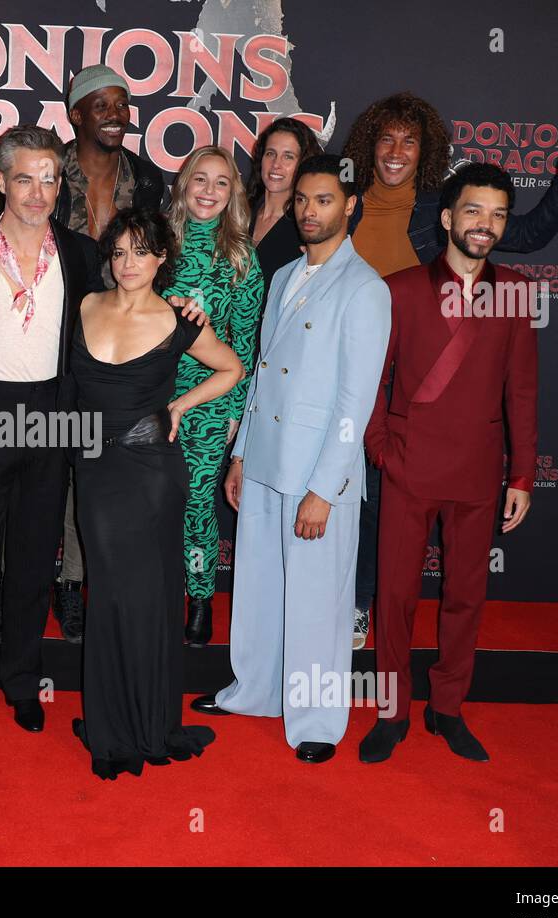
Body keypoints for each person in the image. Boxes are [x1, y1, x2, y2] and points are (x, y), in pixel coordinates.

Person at [0, 125, 205, 752]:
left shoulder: (78, 252)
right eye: (25, 178)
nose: (39, 192)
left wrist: (185, 305)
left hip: (53, 423)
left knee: (35, 568)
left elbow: (130, 297)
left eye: (49, 178)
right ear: (1, 182)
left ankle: (20, 683)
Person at [341, 92, 558, 648]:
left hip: (411, 360)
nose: (396, 150)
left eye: (410, 140)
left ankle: (361, 605)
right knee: (348, 499)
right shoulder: (346, 201)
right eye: (386, 138)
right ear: (369, 144)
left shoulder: (440, 208)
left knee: (380, 501)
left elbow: (519, 234)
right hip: (347, 354)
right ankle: (342, 600)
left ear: (425, 149)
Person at [190, 154, 391, 763]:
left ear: (349, 205)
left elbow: (357, 401)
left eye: (324, 200)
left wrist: (324, 489)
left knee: (317, 603)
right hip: (266, 460)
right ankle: (253, 690)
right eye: (302, 199)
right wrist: (241, 457)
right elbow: (261, 377)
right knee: (257, 588)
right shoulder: (281, 276)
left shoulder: (366, 289)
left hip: (314, 473)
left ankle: (317, 722)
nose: (309, 210)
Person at [359, 162, 538, 764]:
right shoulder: (401, 288)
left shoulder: (514, 291)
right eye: (473, 211)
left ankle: (448, 708)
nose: (485, 225)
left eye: (497, 215)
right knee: (395, 598)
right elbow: (372, 384)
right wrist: (381, 448)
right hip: (409, 467)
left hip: (478, 472)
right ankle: (391, 712)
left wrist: (521, 474)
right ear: (446, 218)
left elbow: (522, 391)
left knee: (466, 596)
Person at [70, 206, 242, 779]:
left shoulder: (180, 319)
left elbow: (231, 370)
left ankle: (143, 721)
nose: (128, 263)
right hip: (94, 470)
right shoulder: (85, 307)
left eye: (141, 251)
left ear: (162, 257)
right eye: (119, 252)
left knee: (146, 595)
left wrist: (180, 405)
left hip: (152, 474)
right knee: (110, 593)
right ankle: (111, 717)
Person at [50, 64, 168, 643]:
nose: (116, 115)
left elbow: (162, 255)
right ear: (76, 114)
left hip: (119, 338)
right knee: (53, 460)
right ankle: (42, 582)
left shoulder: (147, 182)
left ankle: (77, 584)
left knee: (101, 464)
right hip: (53, 331)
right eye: (102, 106)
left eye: (123, 105)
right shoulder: (50, 174)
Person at [165, 145, 265, 645]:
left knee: (197, 505)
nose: (208, 190)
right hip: (150, 396)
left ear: (233, 193)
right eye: (199, 179)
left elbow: (245, 346)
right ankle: (155, 595)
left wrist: (233, 420)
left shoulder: (242, 256)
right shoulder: (156, 243)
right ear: (184, 184)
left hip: (210, 400)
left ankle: (199, 600)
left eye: (221, 182)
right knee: (149, 503)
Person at [245, 116, 321, 298]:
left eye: (288, 156)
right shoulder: (239, 214)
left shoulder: (307, 227)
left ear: (303, 164)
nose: (276, 165)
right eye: (270, 153)